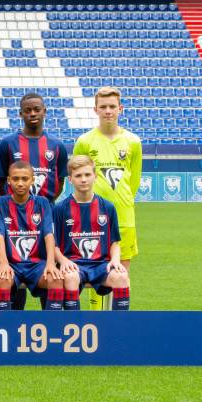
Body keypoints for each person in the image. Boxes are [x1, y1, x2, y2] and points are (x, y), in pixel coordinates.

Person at [0, 92, 67, 310]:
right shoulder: (8, 144)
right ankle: (12, 327)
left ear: (44, 111)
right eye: (28, 110)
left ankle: (49, 325)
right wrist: (16, 201)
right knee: (13, 277)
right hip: (13, 215)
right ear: (20, 113)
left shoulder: (57, 146)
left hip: (44, 213)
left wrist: (41, 200)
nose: (32, 113)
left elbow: (59, 182)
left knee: (47, 269)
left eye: (37, 109)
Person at [73, 86, 141, 309]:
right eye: (103, 107)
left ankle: (117, 323)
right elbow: (77, 173)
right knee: (95, 271)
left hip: (124, 216)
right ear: (95, 110)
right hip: (92, 219)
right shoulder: (85, 141)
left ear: (120, 109)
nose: (108, 111)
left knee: (121, 272)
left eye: (112, 106)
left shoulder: (133, 142)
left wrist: (121, 201)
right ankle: (96, 319)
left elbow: (134, 181)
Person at [53, 155, 130, 310]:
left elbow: (114, 242)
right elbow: (53, 245)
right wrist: (63, 261)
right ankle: (74, 327)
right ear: (70, 179)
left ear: (95, 176)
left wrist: (115, 260)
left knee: (122, 277)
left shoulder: (108, 207)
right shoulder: (60, 208)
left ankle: (120, 328)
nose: (83, 179)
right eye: (78, 175)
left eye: (87, 175)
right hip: (73, 264)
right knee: (70, 277)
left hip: (101, 265)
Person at [0, 161, 63, 310]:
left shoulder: (42, 203)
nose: (20, 183)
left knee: (55, 280)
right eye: (15, 179)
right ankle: (4, 329)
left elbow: (49, 234)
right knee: (2, 279)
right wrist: (3, 262)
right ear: (9, 180)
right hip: (11, 264)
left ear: (32, 180)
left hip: (37, 264)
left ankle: (53, 328)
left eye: (25, 178)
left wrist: (50, 263)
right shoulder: (0, 203)